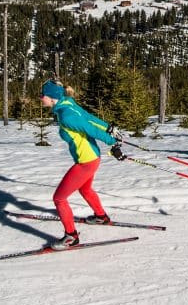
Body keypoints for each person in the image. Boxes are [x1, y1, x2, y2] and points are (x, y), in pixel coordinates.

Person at [39, 79, 127, 250]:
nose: (40, 98)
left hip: (86, 161)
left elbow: (89, 128)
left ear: (51, 98)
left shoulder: (66, 115)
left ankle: (71, 237)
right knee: (85, 189)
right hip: (91, 157)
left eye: (42, 95)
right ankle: (101, 217)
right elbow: (87, 117)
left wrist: (111, 140)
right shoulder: (66, 103)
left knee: (59, 198)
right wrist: (108, 127)